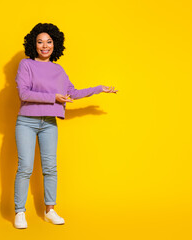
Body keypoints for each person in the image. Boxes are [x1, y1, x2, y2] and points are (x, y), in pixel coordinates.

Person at [13, 23, 118, 229]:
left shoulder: (58, 69)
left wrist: (98, 89)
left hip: (49, 123)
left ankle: (50, 211)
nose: (45, 46)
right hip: (27, 122)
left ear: (55, 44)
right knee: (25, 167)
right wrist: (53, 97)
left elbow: (71, 93)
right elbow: (24, 94)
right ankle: (19, 212)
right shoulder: (26, 65)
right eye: (40, 42)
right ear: (34, 45)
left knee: (50, 168)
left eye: (49, 42)